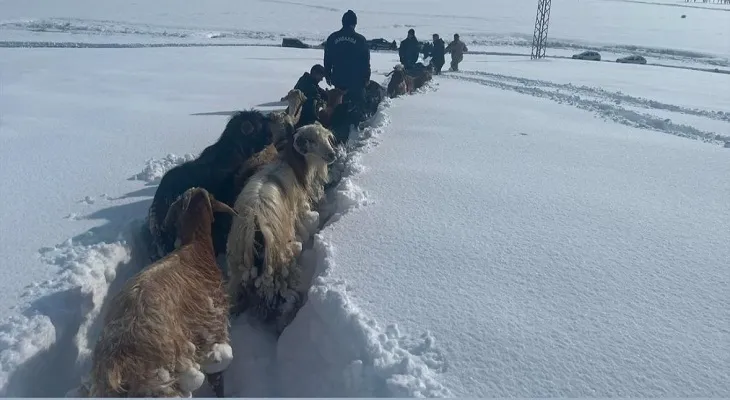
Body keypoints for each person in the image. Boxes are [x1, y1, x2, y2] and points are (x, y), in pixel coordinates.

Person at [323, 10, 371, 121]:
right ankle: (357, 129)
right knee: (359, 108)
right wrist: (366, 77)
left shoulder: (333, 38)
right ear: (354, 23)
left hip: (338, 80)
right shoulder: (360, 40)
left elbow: (327, 58)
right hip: (356, 82)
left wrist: (327, 74)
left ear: (342, 22)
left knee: (337, 107)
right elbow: (365, 62)